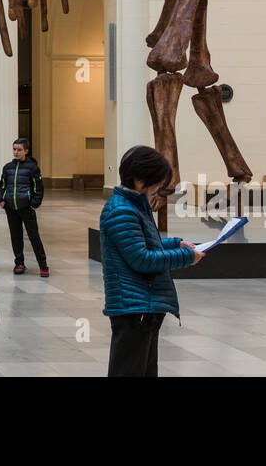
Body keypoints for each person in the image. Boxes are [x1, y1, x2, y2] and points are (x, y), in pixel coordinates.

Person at [100, 145, 205, 377]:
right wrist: (186, 257)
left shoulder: (134, 206)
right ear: (139, 180)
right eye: (157, 181)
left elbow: (143, 243)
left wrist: (176, 244)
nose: (159, 187)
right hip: (133, 308)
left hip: (142, 306)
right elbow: (142, 259)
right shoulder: (122, 211)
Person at [0, 137, 49, 276]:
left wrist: (34, 203)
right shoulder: (8, 167)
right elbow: (2, 184)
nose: (16, 152)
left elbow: (39, 187)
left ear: (26, 151)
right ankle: (19, 263)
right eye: (14, 149)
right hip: (11, 207)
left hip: (26, 207)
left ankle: (43, 265)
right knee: (16, 236)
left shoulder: (32, 167)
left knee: (34, 236)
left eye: (19, 150)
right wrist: (1, 199)